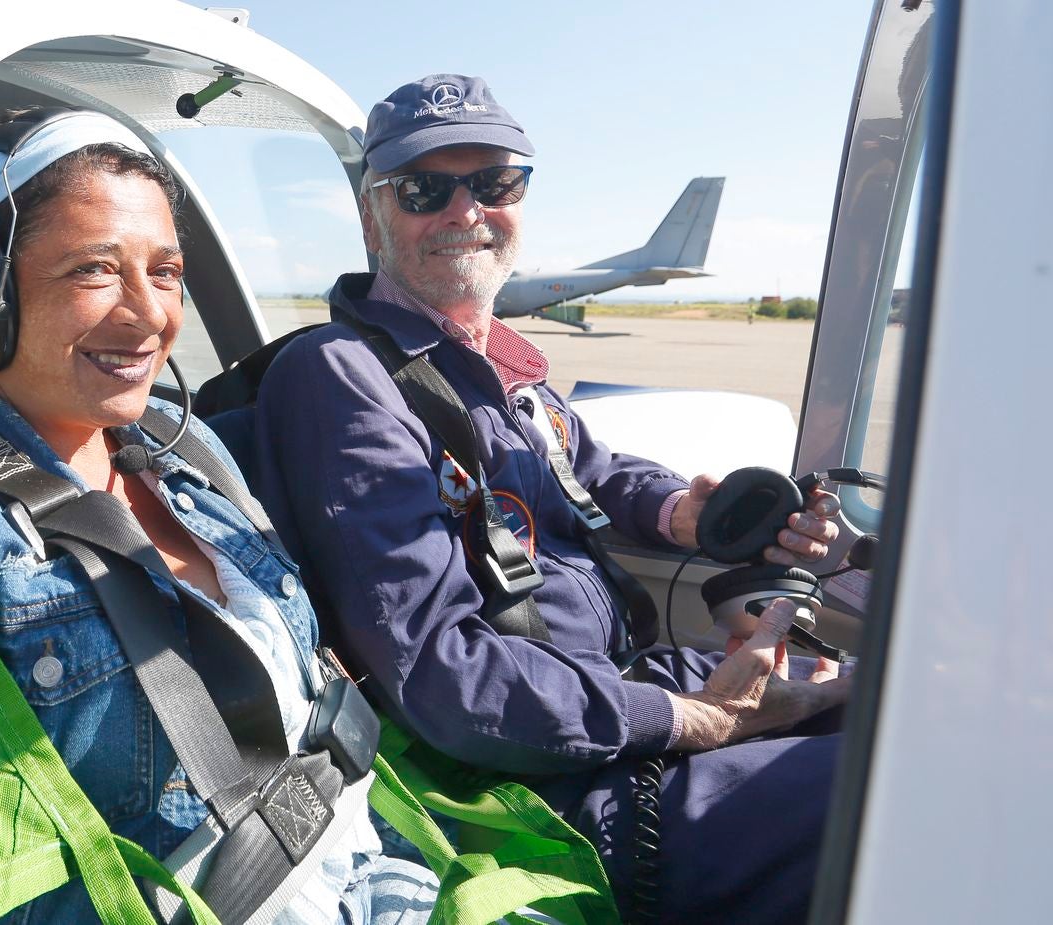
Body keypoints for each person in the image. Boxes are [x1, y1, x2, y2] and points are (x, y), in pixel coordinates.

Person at [0, 108, 436, 925]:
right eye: (95, 270)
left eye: (165, 271)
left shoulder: (186, 448)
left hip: (380, 877)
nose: (149, 316)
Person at [253, 75, 851, 924]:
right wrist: (694, 718)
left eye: (495, 182)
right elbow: (443, 676)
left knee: (910, 704)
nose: (466, 209)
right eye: (427, 188)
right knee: (901, 796)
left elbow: (595, 465)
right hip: (542, 782)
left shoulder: (498, 367)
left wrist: (685, 510)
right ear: (370, 216)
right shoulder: (343, 377)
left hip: (615, 690)